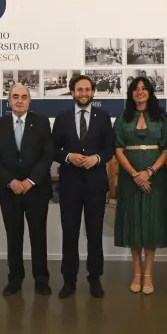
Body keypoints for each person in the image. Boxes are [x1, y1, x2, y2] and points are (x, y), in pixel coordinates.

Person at [52, 74, 115, 299]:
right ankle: (69, 280)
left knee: (94, 233)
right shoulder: (62, 118)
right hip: (70, 184)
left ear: (93, 92)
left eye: (87, 90)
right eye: (80, 90)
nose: (84, 93)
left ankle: (94, 277)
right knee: (70, 233)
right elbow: (54, 149)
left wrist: (96, 159)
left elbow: (110, 148)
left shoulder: (103, 117)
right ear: (72, 92)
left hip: (96, 184)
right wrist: (69, 156)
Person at [0, 85, 54, 296]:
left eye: (23, 97)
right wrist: (10, 181)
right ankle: (15, 279)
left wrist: (30, 181)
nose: (19, 100)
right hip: (10, 191)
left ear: (29, 101)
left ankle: (41, 279)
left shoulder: (42, 122)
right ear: (9, 100)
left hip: (36, 190)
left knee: (38, 236)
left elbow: (47, 156)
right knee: (13, 238)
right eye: (15, 97)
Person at [113, 77, 167, 295]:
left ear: (150, 92)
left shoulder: (162, 118)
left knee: (151, 223)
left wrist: (149, 172)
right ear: (131, 93)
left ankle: (148, 275)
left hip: (155, 178)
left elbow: (166, 150)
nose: (140, 92)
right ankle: (136, 273)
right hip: (130, 178)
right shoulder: (122, 118)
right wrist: (136, 175)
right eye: (136, 89)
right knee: (133, 224)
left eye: (144, 88)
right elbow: (118, 149)